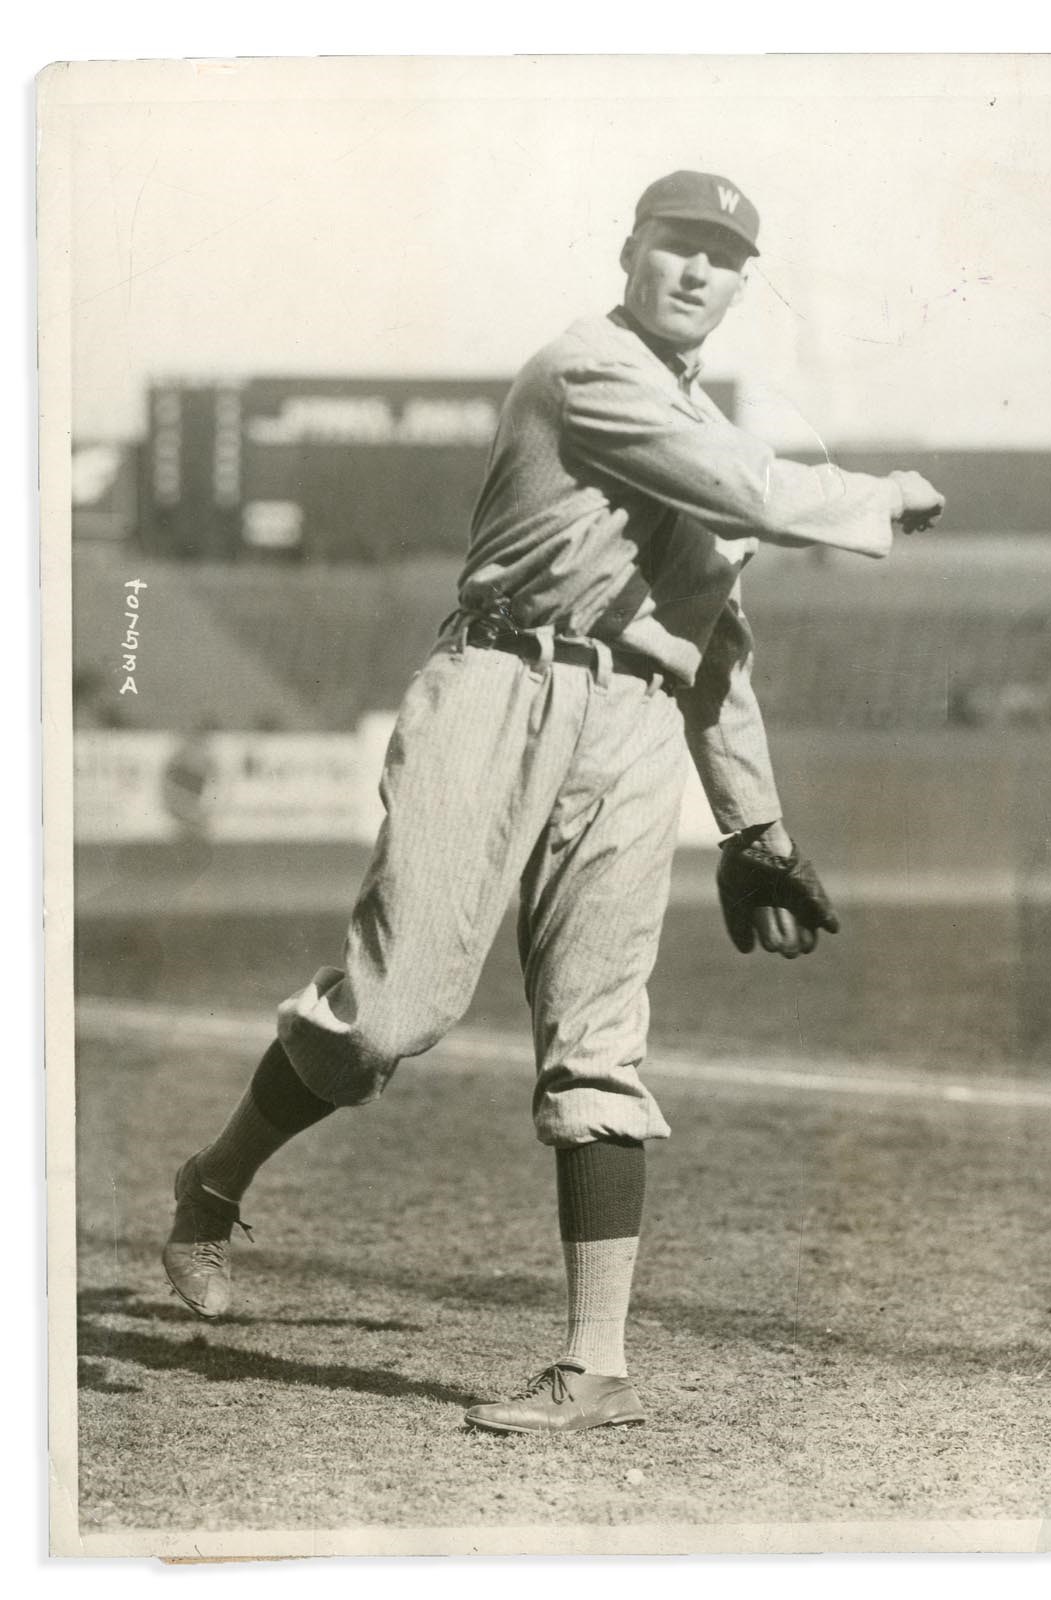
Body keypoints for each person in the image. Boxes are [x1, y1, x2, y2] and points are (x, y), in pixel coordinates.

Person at [162, 170, 944, 1434]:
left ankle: (596, 1363)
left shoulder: (695, 430)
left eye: (722, 257)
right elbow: (747, 488)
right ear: (629, 251)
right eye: (676, 245)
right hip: (498, 682)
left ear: (745, 283)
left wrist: (756, 827)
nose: (695, 271)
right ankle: (213, 1182)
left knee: (599, 1038)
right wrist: (876, 495)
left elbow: (717, 644)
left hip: (633, 723)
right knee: (386, 1018)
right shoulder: (589, 369)